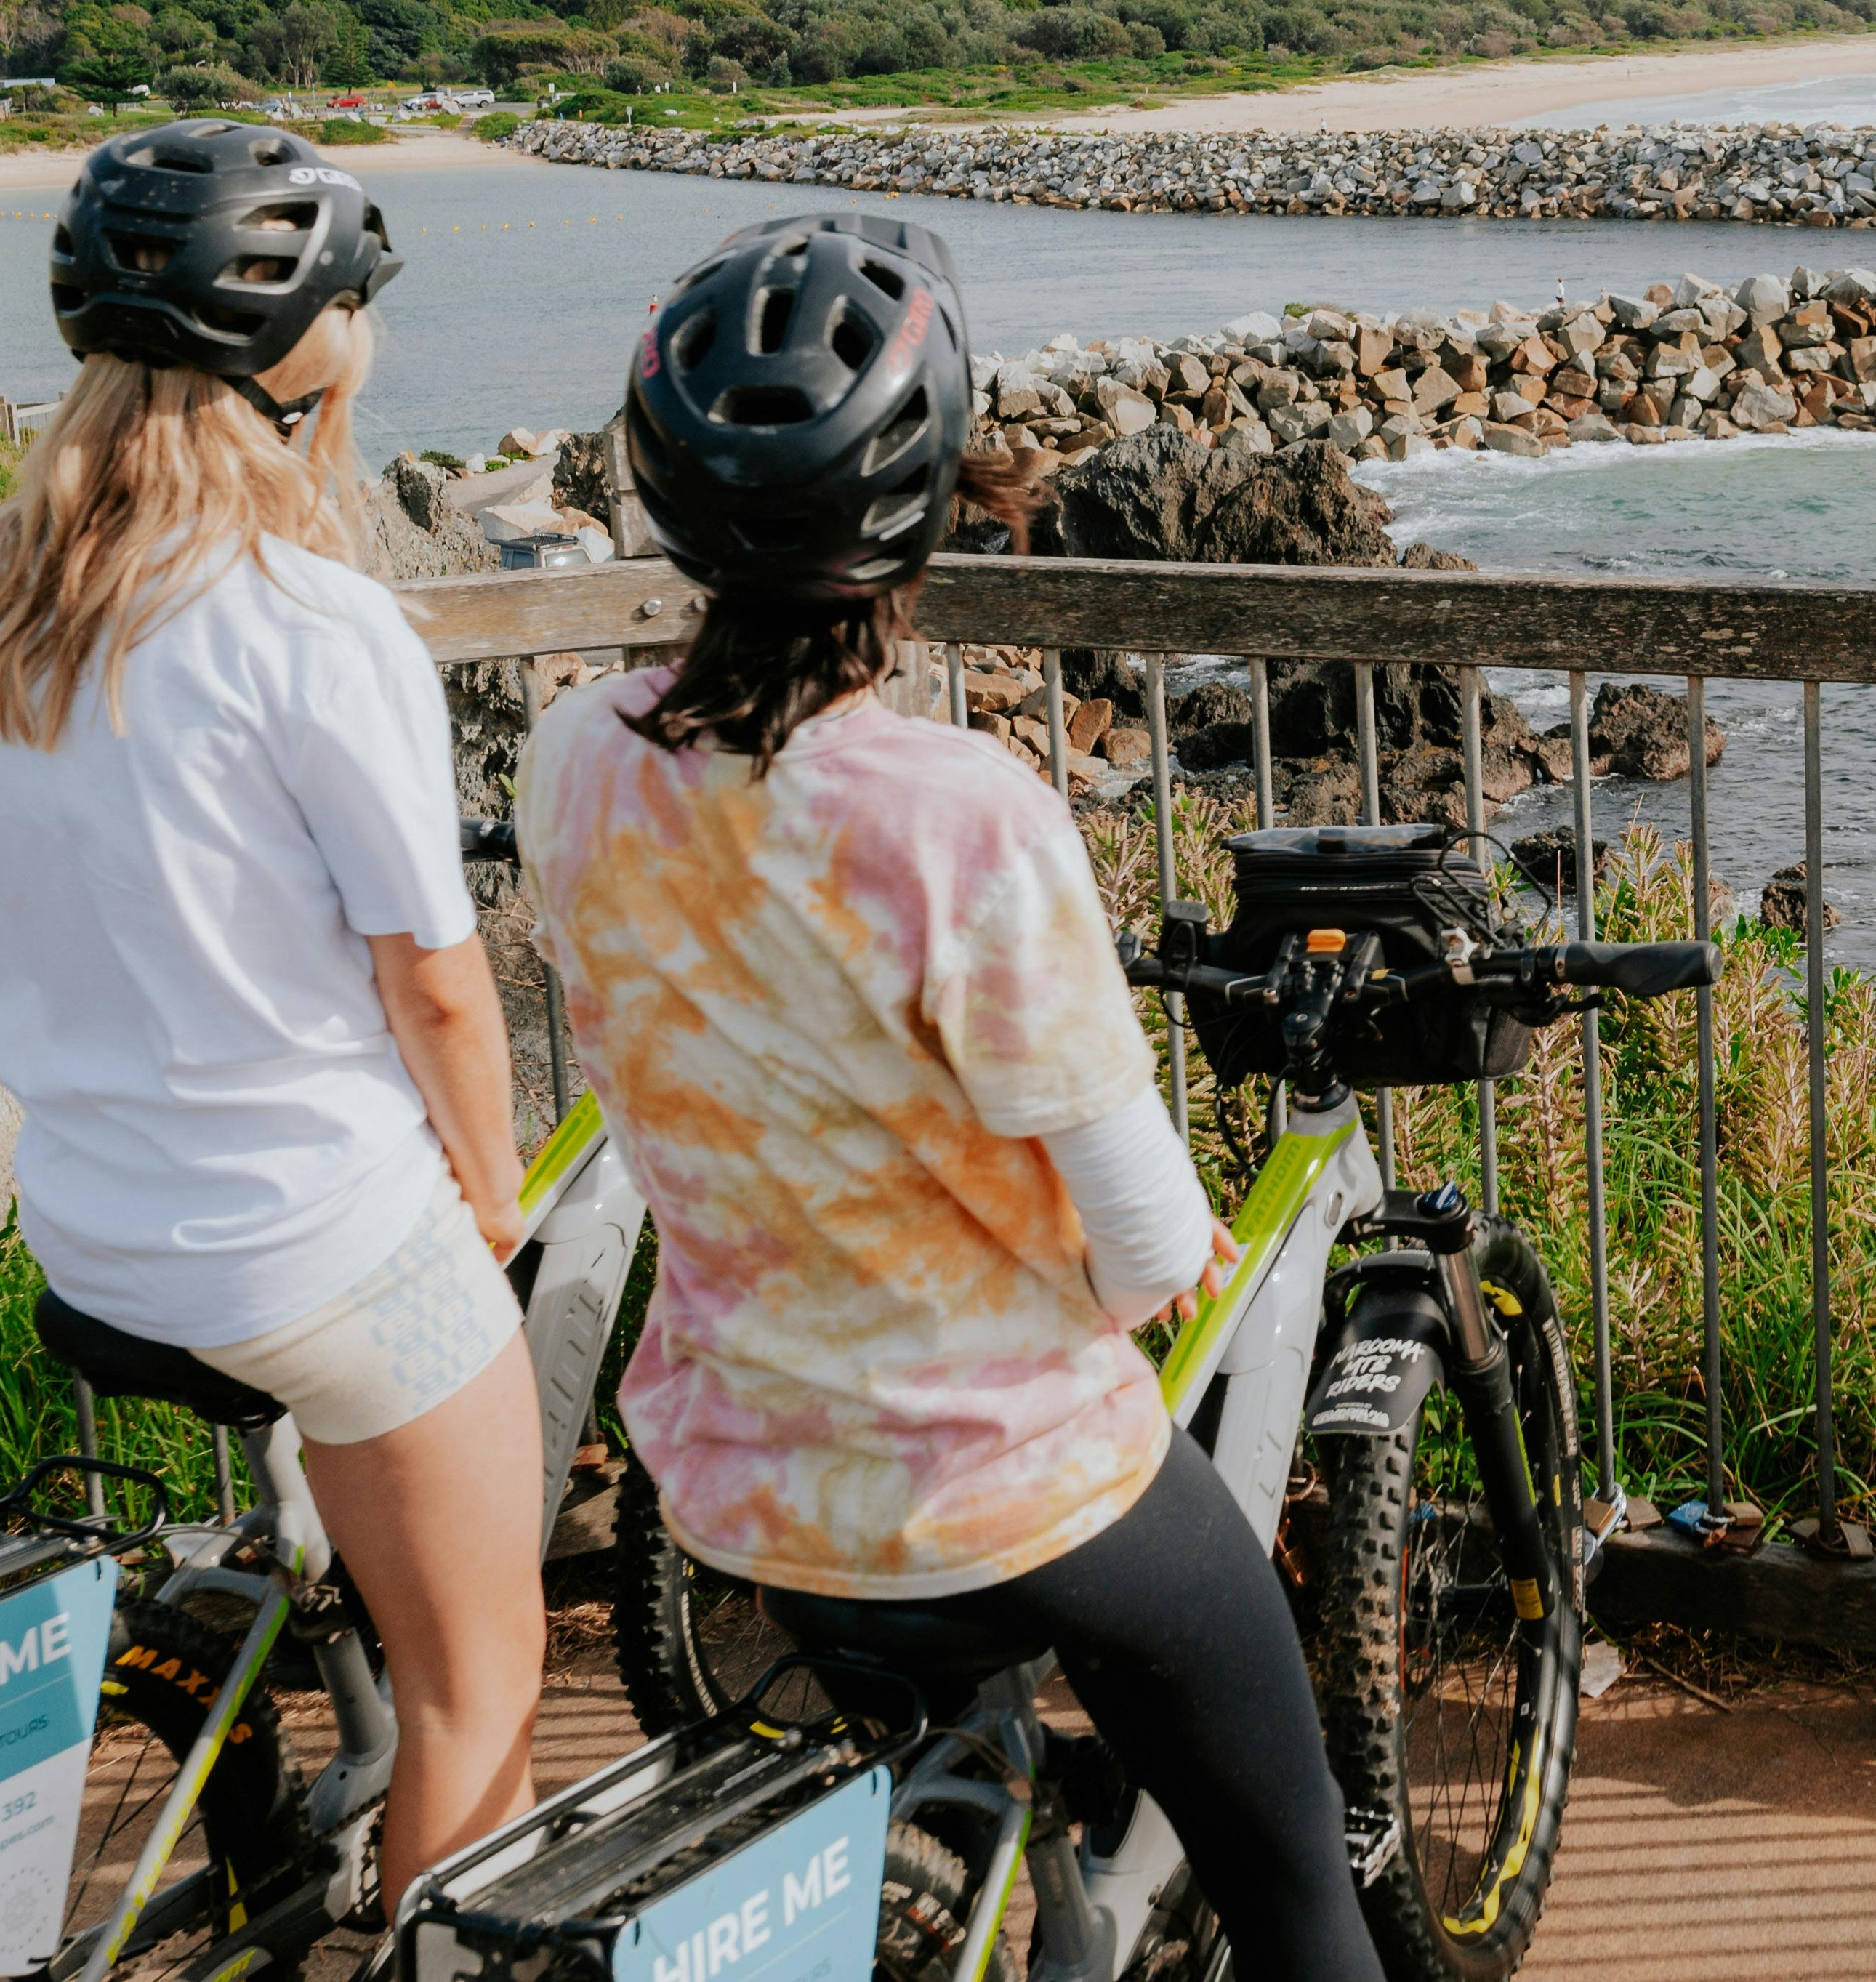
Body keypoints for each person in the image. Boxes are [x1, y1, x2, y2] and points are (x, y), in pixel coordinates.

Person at [518, 213, 1378, 1982]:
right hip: (1007, 1490)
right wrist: (1121, 1269)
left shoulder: (575, 758)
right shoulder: (957, 809)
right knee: (1302, 1896)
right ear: (924, 508)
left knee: (982, 1812)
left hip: (751, 1484)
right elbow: (1143, 1243)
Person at [0, 120, 541, 1893]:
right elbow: (434, 982)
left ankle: (254, 1672)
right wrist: (490, 1207)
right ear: (299, 353)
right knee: (480, 1690)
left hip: (97, 1227)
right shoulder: (310, 620)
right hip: (312, 1245)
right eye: (355, 303)